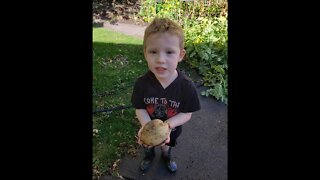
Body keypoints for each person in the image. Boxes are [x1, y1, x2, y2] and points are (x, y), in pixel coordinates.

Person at [131, 17, 201, 173]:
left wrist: (168, 125)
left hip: (173, 130)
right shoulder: (142, 84)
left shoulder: (186, 87)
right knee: (148, 146)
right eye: (153, 51)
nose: (161, 59)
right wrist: (145, 126)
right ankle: (148, 156)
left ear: (181, 55)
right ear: (145, 54)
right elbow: (140, 108)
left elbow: (186, 113)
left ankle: (166, 157)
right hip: (148, 130)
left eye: (169, 52)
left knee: (166, 148)